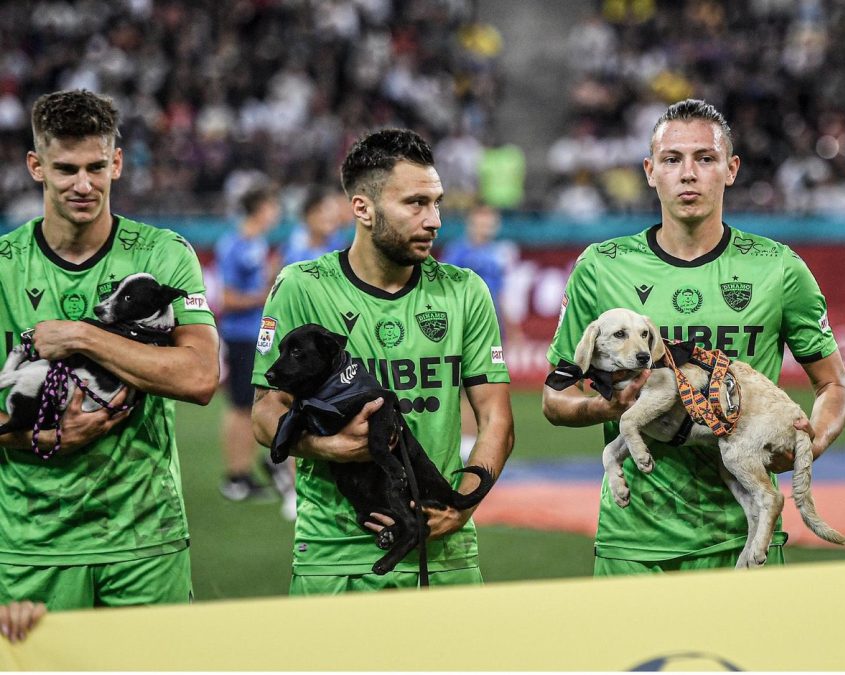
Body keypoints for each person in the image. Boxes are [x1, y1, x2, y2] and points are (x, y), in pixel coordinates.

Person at [543, 98, 845, 575]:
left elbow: (833, 385)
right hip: (634, 543)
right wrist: (611, 407)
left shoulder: (779, 268)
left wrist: (809, 444)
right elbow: (555, 398)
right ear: (650, 171)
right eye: (672, 159)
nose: (688, 173)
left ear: (730, 169)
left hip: (742, 540)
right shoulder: (600, 268)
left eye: (704, 159)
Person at [250, 128, 514, 593]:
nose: (433, 219)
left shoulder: (465, 291)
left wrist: (464, 504)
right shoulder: (301, 287)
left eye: (437, 202)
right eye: (415, 203)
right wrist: (328, 446)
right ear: (363, 209)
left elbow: (496, 418)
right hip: (333, 560)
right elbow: (266, 412)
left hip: (445, 556)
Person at [0, 89, 219, 609]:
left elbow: (199, 377)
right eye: (66, 168)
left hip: (146, 540)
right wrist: (42, 436)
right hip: (34, 547)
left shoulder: (163, 255)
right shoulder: (5, 266)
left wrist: (81, 336)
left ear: (117, 163)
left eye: (96, 167)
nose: (83, 184)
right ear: (36, 166)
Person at [214, 187, 290, 507]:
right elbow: (227, 299)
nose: (277, 213)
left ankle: (254, 469)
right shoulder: (233, 245)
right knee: (241, 406)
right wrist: (265, 295)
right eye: (273, 206)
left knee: (257, 403)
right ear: (260, 208)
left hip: (258, 335)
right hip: (241, 335)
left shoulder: (257, 245)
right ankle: (235, 476)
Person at [441, 203, 521, 461]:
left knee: (491, 384)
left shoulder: (496, 254)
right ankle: (464, 441)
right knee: (464, 386)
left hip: (492, 327)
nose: (487, 226)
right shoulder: (457, 252)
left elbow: (500, 294)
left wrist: (512, 327)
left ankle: (481, 438)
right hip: (464, 327)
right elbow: (444, 292)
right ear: (471, 223)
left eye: (491, 221)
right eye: (482, 221)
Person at [280, 186, 349, 266]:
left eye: (334, 210)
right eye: (325, 210)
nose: (331, 215)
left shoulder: (338, 242)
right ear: (309, 214)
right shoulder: (293, 245)